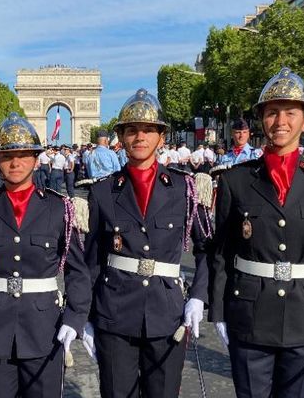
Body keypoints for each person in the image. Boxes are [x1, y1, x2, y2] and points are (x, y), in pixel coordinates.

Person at [208, 68, 304, 398]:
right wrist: (217, 311)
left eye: (291, 112)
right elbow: (221, 253)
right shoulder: (236, 180)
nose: (281, 121)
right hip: (248, 314)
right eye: (272, 112)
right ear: (262, 119)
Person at [83, 88, 212, 398]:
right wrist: (85, 314)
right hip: (114, 312)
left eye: (148, 130)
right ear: (121, 138)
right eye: (131, 130)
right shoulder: (102, 192)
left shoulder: (185, 188)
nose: (139, 136)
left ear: (161, 137)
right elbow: (92, 260)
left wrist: (198, 296)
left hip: (167, 311)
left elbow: (207, 249)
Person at [0, 112, 91, 398]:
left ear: (36, 158)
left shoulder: (59, 209)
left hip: (45, 329)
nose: (15, 163)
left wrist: (75, 317)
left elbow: (78, 271)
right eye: (7, 156)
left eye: (23, 155)